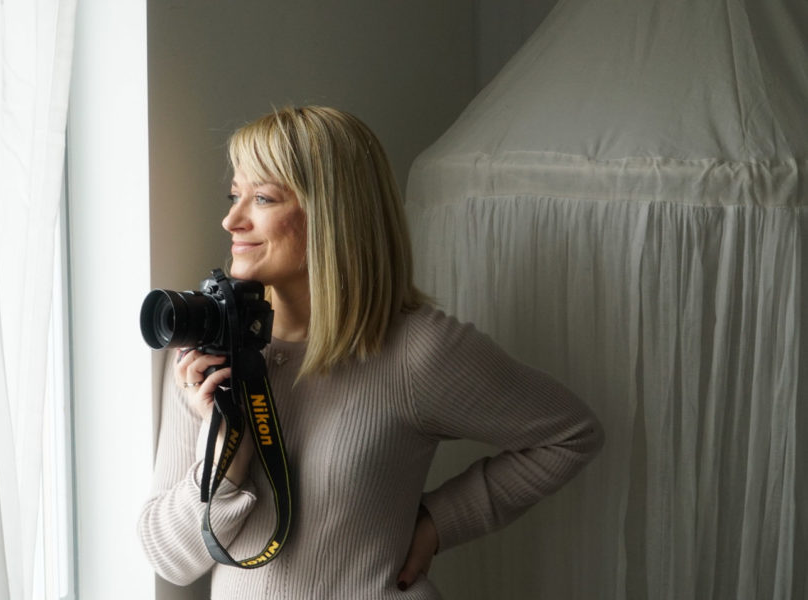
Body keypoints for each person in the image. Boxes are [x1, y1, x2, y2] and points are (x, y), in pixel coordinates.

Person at [137, 106, 604, 598]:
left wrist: (438, 523)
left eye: (263, 198)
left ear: (332, 214)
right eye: (235, 195)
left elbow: (570, 435)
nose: (231, 219)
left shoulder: (417, 351)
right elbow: (171, 560)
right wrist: (227, 460)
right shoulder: (207, 349)